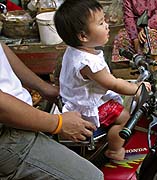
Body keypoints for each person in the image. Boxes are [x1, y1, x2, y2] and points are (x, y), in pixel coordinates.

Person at [54, 0, 151, 161]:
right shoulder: (88, 63)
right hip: (87, 108)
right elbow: (112, 83)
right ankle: (115, 149)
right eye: (101, 23)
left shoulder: (75, 50)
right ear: (83, 36)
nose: (107, 26)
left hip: (76, 99)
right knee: (125, 117)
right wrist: (137, 88)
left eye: (104, 20)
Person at [0, 42, 103, 180]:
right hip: (7, 133)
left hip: (20, 114)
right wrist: (58, 124)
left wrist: (42, 87)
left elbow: (1, 49)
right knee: (91, 177)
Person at [111, 0, 157, 64]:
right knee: (122, 37)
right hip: (135, 25)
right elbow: (128, 17)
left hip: (154, 24)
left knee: (150, 36)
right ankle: (136, 65)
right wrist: (135, 38)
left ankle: (156, 68)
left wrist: (146, 28)